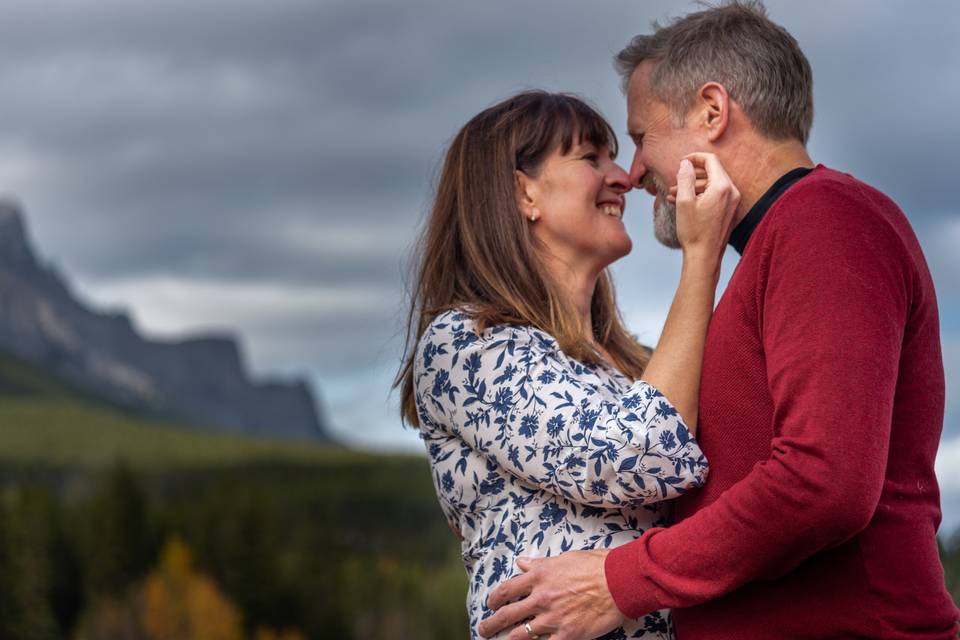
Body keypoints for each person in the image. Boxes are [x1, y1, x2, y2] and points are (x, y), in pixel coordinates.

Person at [478, 3, 960, 639]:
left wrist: (621, 581)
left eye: (643, 137)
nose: (636, 171)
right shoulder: (781, 244)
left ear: (712, 112)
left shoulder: (826, 223)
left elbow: (824, 481)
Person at [395, 91, 739, 638]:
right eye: (591, 158)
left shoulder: (633, 367)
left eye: (615, 156)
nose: (624, 177)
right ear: (521, 191)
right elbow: (639, 455)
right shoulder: (466, 345)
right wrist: (701, 258)